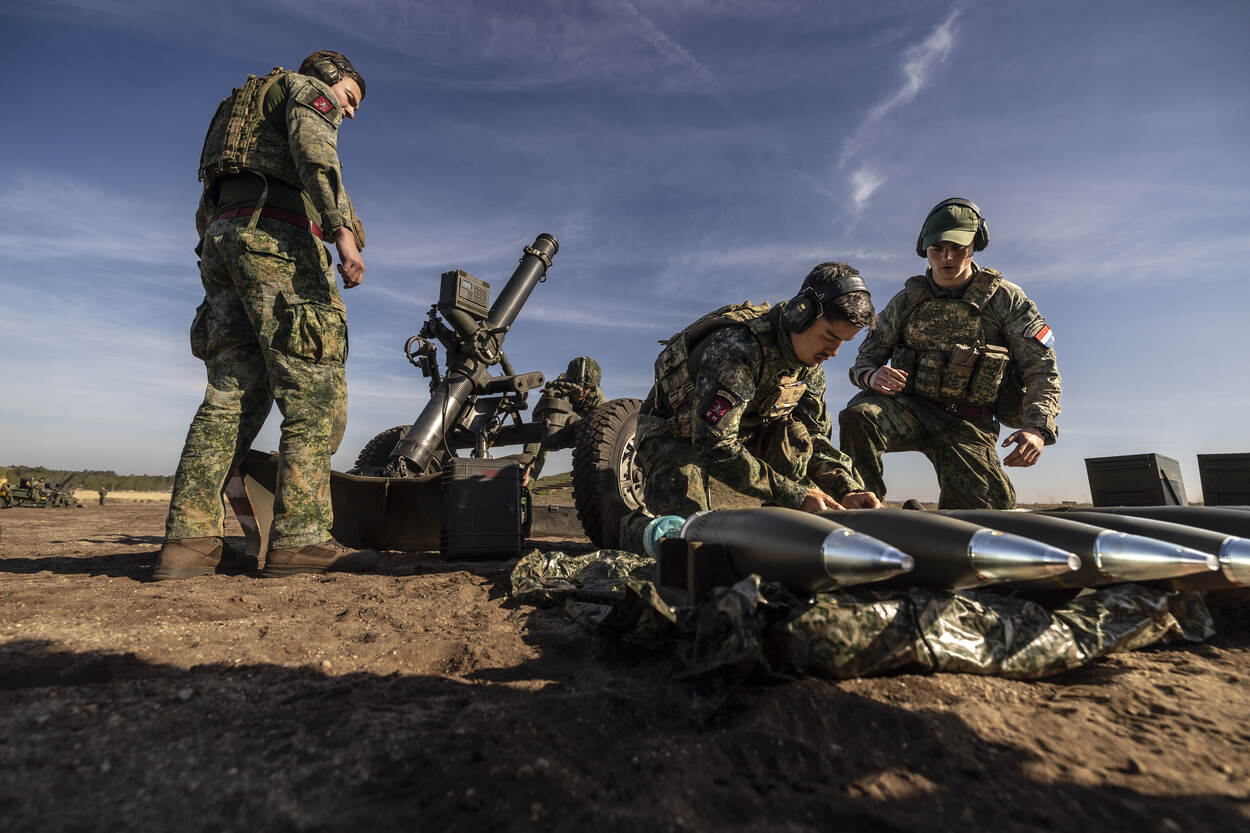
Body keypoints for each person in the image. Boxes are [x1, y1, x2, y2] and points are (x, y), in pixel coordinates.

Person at [157, 51, 377, 580]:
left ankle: (189, 543)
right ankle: (299, 540)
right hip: (276, 242)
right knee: (314, 391)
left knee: (231, 393)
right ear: (329, 78)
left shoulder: (241, 108)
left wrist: (219, 262)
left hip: (223, 244)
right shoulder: (306, 91)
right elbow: (315, 154)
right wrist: (342, 234)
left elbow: (209, 196)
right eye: (349, 98)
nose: (348, 112)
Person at [619, 262, 882, 551]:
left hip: (743, 433)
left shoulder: (810, 369)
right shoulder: (737, 350)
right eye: (830, 337)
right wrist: (796, 495)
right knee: (687, 543)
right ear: (801, 314)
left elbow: (815, 439)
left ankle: (780, 528)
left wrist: (848, 489)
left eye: (844, 343)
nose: (833, 353)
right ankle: (622, 524)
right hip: (675, 435)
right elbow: (714, 446)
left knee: (795, 437)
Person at [839, 198, 1061, 509]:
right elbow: (864, 361)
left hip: (969, 423)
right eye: (937, 249)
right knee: (858, 416)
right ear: (924, 249)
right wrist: (872, 375)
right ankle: (866, 509)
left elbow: (1042, 371)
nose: (947, 257)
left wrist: (1037, 429)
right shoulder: (904, 303)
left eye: (958, 247)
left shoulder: (1006, 300)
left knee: (985, 513)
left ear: (975, 244)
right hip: (910, 411)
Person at [521, 356, 607, 481]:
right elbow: (537, 428)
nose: (581, 393)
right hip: (552, 427)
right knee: (533, 460)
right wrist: (528, 462)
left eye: (586, 389)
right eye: (578, 388)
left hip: (584, 431)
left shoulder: (597, 398)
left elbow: (601, 432)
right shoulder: (554, 392)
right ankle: (525, 489)